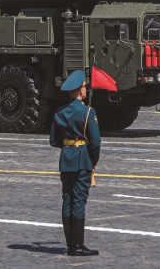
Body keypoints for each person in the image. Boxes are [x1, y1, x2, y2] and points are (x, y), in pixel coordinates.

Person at [50, 70, 101, 256]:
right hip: (82, 160)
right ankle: (77, 246)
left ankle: (70, 244)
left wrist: (68, 146)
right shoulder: (88, 112)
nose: (86, 90)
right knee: (79, 201)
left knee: (67, 199)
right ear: (81, 90)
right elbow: (95, 142)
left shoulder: (59, 112)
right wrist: (93, 162)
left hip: (66, 160)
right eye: (85, 87)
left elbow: (54, 140)